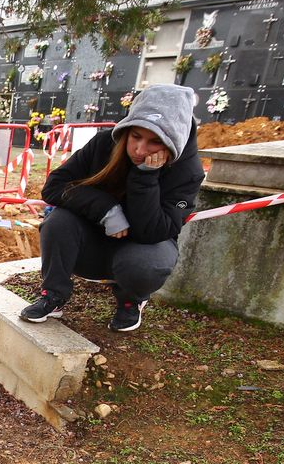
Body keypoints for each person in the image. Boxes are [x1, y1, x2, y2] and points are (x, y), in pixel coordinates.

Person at [20, 84, 204, 332]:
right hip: (95, 239)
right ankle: (53, 295)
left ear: (173, 140)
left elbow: (155, 231)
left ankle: (131, 300)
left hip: (142, 246)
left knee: (147, 264)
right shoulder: (105, 143)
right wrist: (106, 209)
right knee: (58, 221)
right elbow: (54, 186)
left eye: (154, 143)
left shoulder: (187, 172)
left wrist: (146, 177)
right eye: (136, 136)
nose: (139, 150)